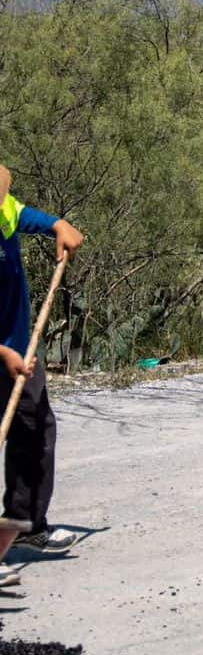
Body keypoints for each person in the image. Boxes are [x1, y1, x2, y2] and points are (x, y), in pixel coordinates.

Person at [0, 165, 84, 587]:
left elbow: (20, 214)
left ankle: (26, 526)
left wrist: (56, 224)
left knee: (33, 428)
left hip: (20, 351)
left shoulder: (3, 209)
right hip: (6, 352)